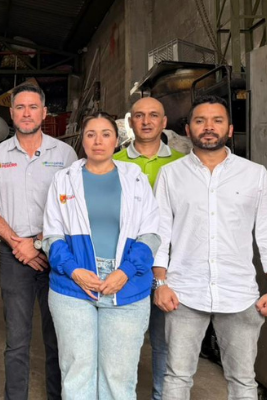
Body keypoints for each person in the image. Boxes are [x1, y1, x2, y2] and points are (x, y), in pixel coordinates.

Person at [154, 95, 267, 400]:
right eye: (200, 121)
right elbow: (159, 234)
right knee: (176, 376)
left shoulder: (255, 175)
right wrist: (160, 283)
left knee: (242, 381)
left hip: (239, 293)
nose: (208, 127)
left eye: (217, 121)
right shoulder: (171, 175)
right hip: (184, 292)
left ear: (230, 129)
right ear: (188, 129)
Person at [43, 112, 161, 400]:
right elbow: (52, 236)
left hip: (127, 285)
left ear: (117, 140)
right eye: (91, 134)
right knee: (77, 370)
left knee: (118, 376)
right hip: (73, 285)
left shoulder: (135, 179)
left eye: (106, 134)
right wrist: (74, 270)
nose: (98, 141)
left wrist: (124, 272)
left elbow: (151, 235)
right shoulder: (63, 180)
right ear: (81, 140)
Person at [0, 83, 76, 400]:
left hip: (57, 255)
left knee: (58, 337)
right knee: (17, 339)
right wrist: (17, 243)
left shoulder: (65, 155)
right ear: (11, 113)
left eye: (33, 107)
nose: (26, 113)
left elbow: (72, 205)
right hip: (14, 257)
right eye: (20, 107)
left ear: (44, 112)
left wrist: (37, 242)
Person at [113, 96, 183, 399]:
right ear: (131, 122)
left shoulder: (182, 163)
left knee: (164, 342)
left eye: (153, 115)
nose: (146, 121)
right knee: (122, 341)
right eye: (139, 115)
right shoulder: (114, 161)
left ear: (164, 122)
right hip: (125, 266)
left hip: (171, 266)